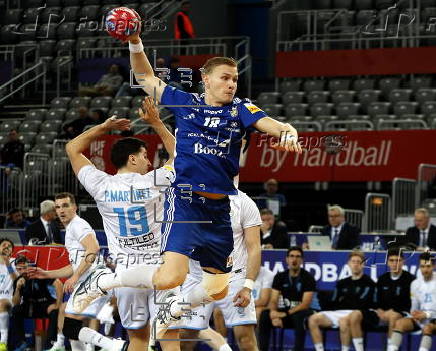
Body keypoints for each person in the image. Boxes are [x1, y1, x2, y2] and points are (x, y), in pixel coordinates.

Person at [71, 23, 301, 345]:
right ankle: (105, 280)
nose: (231, 84)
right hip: (186, 203)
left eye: (234, 78)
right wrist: (136, 41)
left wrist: (287, 131)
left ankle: (176, 306)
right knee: (170, 277)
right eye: (225, 77)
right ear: (206, 79)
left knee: (217, 287)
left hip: (220, 209)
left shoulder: (240, 109)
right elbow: (147, 79)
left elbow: (271, 124)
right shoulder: (185, 103)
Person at [65, 97, 178, 351]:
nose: (150, 162)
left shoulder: (101, 186)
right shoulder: (152, 181)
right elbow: (179, 155)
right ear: (133, 159)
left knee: (137, 339)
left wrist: (104, 127)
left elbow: (72, 149)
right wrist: (157, 122)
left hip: (126, 272)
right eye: (145, 156)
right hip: (160, 267)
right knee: (169, 336)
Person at [27, 192, 114, 351]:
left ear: (75, 207)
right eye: (58, 207)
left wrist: (75, 276)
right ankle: (110, 345)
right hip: (91, 281)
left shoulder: (77, 224)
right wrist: (47, 274)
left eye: (65, 206)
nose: (61, 210)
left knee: (70, 325)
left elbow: (93, 249)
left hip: (94, 280)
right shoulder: (70, 229)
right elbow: (73, 266)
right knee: (70, 328)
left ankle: (114, 346)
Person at [178, 188, 262, 351]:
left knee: (245, 339)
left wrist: (248, 286)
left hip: (233, 277)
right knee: (184, 338)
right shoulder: (190, 198)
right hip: (198, 277)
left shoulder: (244, 202)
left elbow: (254, 248)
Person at [345, 249, 415, 351]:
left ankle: (390, 349)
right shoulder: (382, 279)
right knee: (356, 314)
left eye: (398, 260)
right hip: (382, 313)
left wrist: (394, 311)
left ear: (403, 262)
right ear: (387, 262)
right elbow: (375, 299)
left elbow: (410, 303)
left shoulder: (410, 279)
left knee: (393, 316)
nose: (395, 263)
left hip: (402, 313)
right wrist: (379, 309)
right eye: (392, 260)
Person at [308, 251, 376, 351]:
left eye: (359, 262)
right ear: (348, 263)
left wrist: (345, 301)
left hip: (358, 313)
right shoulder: (342, 283)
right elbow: (333, 301)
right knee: (313, 319)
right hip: (339, 312)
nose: (356, 264)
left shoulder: (369, 282)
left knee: (344, 321)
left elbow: (363, 303)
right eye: (353, 261)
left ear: (364, 264)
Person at [258, 247, 316, 351]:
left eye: (298, 257)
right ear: (287, 259)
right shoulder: (280, 277)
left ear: (302, 260)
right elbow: (273, 300)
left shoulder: (308, 278)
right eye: (292, 256)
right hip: (284, 313)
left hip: (300, 312)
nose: (294, 259)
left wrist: (286, 314)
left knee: (299, 317)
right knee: (264, 315)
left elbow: (305, 304)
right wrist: (273, 314)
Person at [10, 255, 63, 351]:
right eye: (19, 269)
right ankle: (21, 343)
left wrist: (58, 304)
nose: (23, 271)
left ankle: (49, 345)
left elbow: (58, 284)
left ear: (29, 266)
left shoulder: (39, 274)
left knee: (55, 312)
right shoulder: (18, 280)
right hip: (30, 306)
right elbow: (15, 302)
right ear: (17, 270)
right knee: (15, 310)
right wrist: (18, 288)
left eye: (25, 267)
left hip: (45, 303)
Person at [388, 252, 436, 351]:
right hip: (421, 318)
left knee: (428, 328)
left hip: (433, 319)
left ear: (434, 266)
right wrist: (415, 314)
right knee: (399, 323)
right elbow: (414, 307)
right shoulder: (415, 284)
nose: (425, 270)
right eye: (422, 266)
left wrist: (426, 315)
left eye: (428, 266)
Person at [0, 238, 17, 351]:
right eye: (3, 245)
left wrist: (7, 263)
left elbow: (17, 281)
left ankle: (3, 342)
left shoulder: (16, 261)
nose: (6, 247)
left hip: (11, 299)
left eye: (9, 246)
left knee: (1, 303)